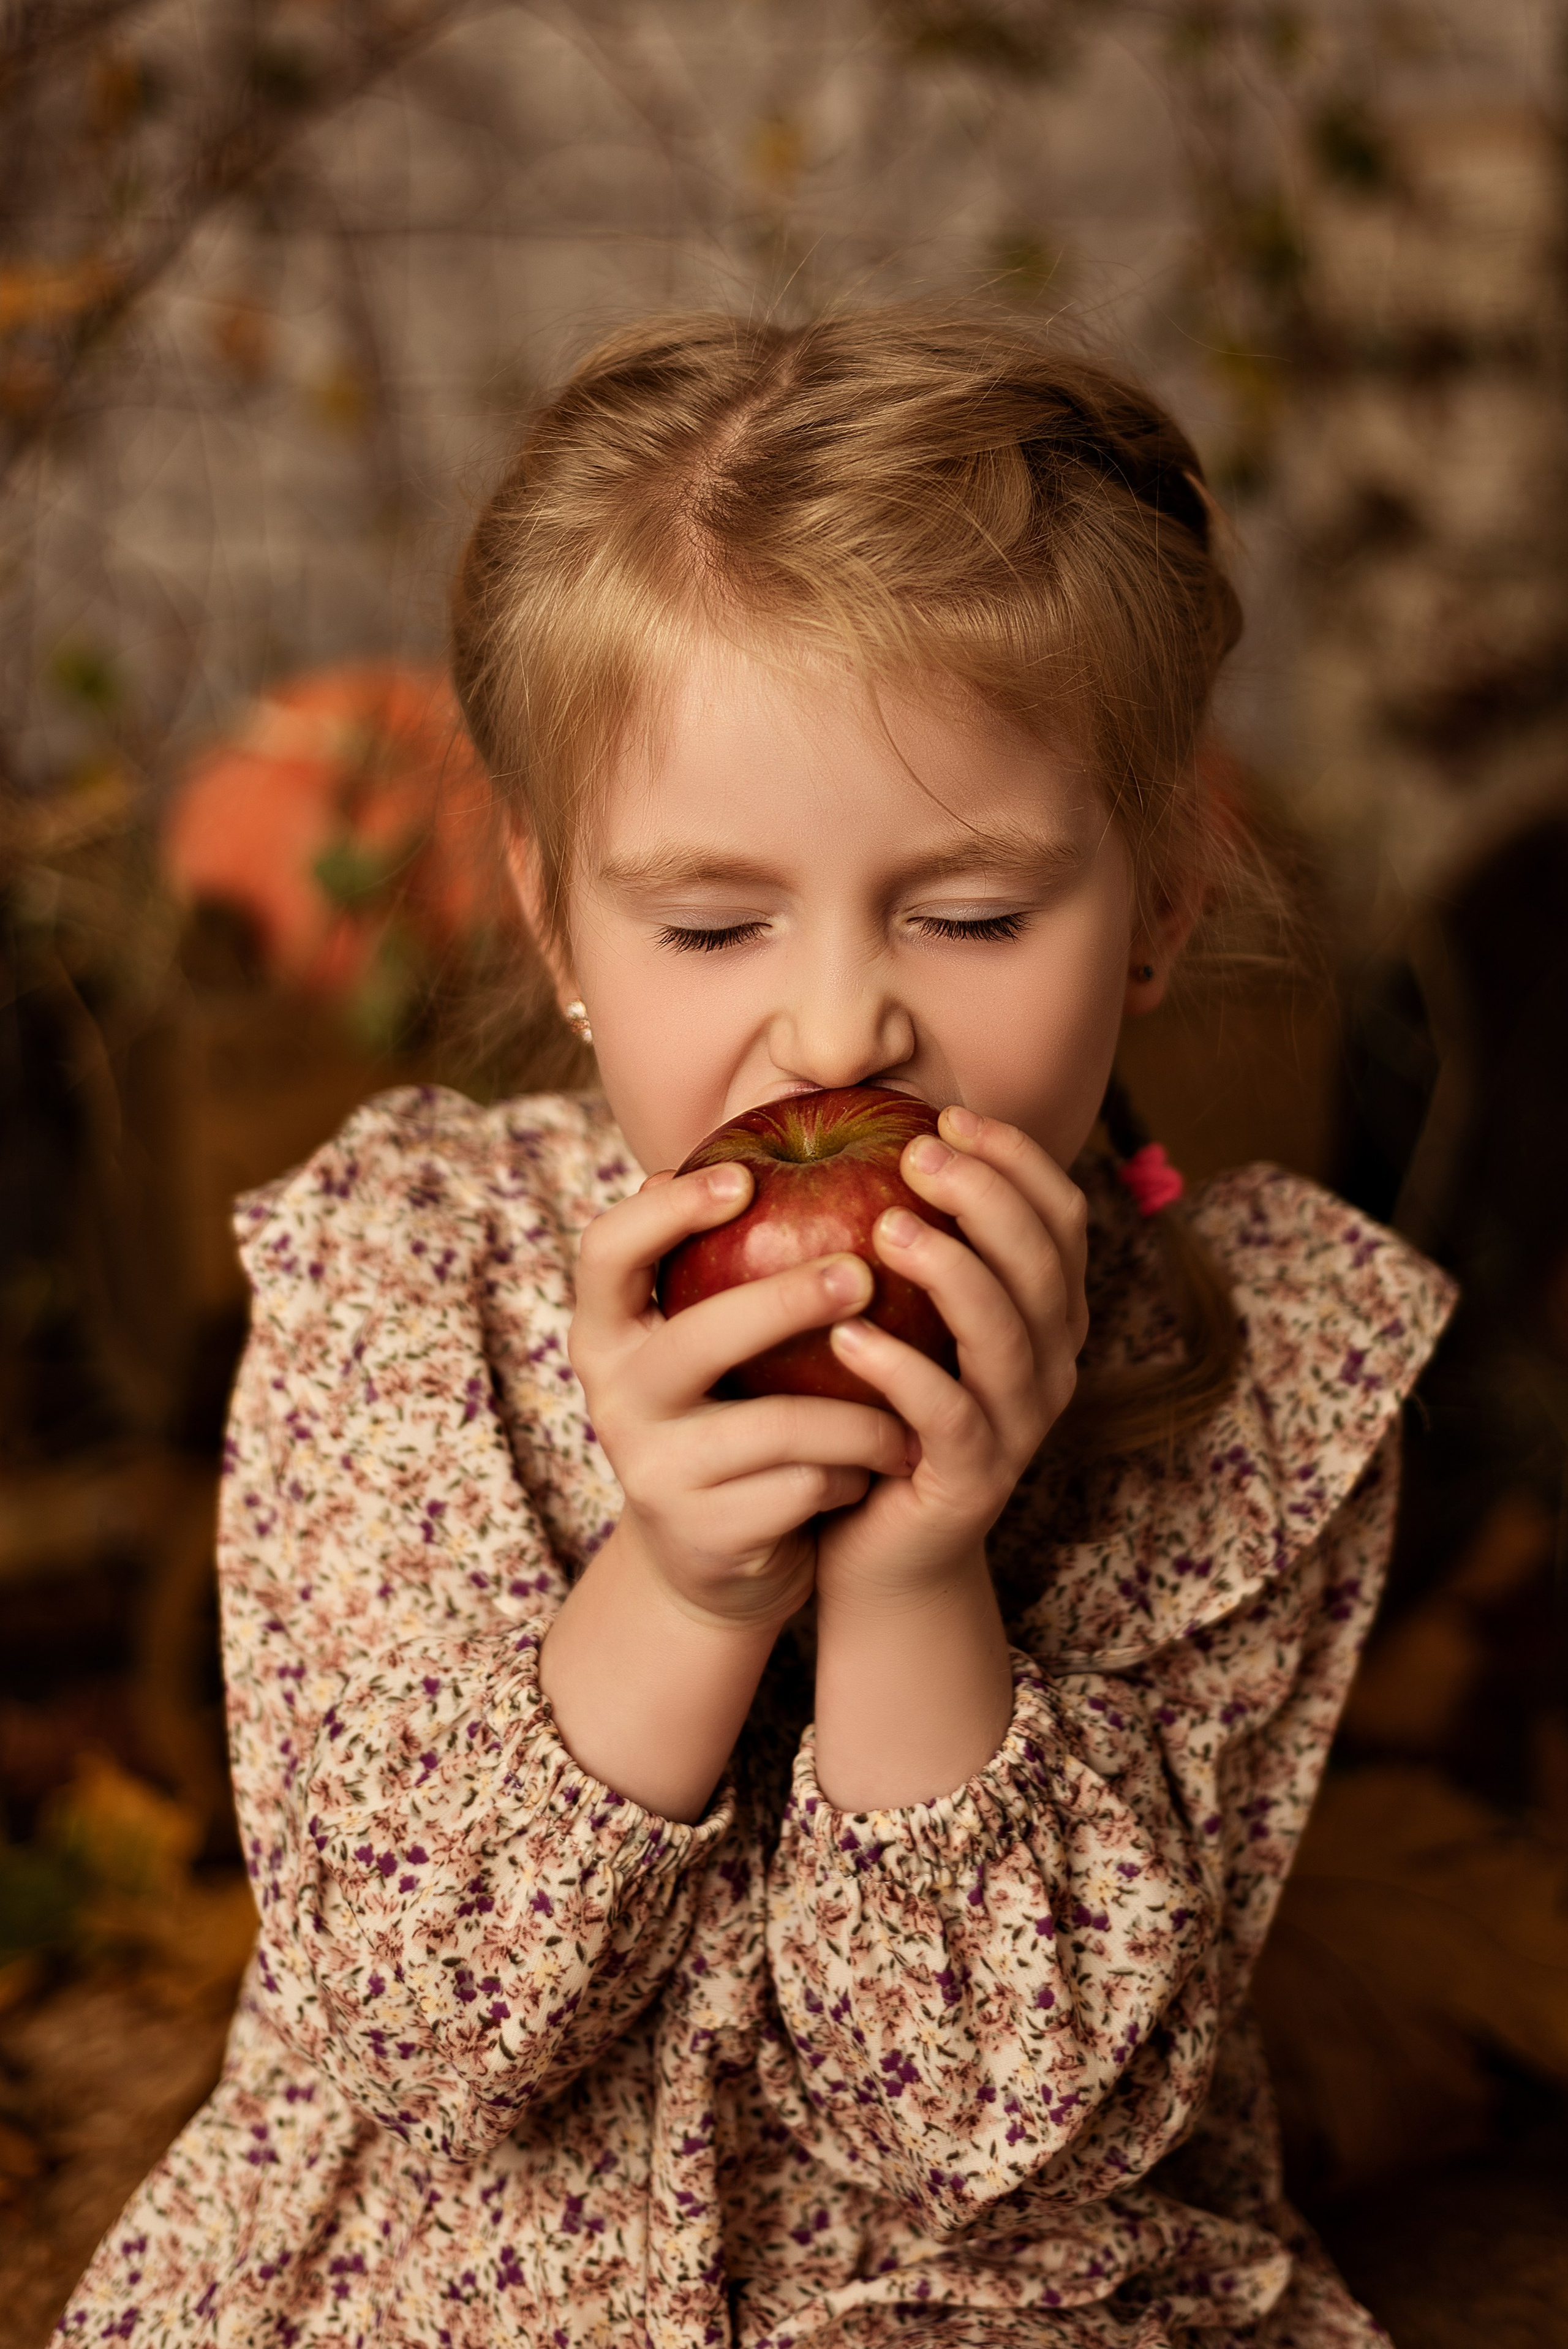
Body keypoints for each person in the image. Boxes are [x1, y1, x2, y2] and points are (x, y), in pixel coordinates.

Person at [61, 308, 1453, 2349]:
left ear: (1158, 898)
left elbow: (1004, 2132)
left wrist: (914, 1574)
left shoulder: (1274, 1376)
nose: (836, 1030)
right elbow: (423, 2035)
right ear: (555, 922)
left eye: (968, 915)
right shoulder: (404, 1284)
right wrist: (689, 1581)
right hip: (446, 2281)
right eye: (713, 925)